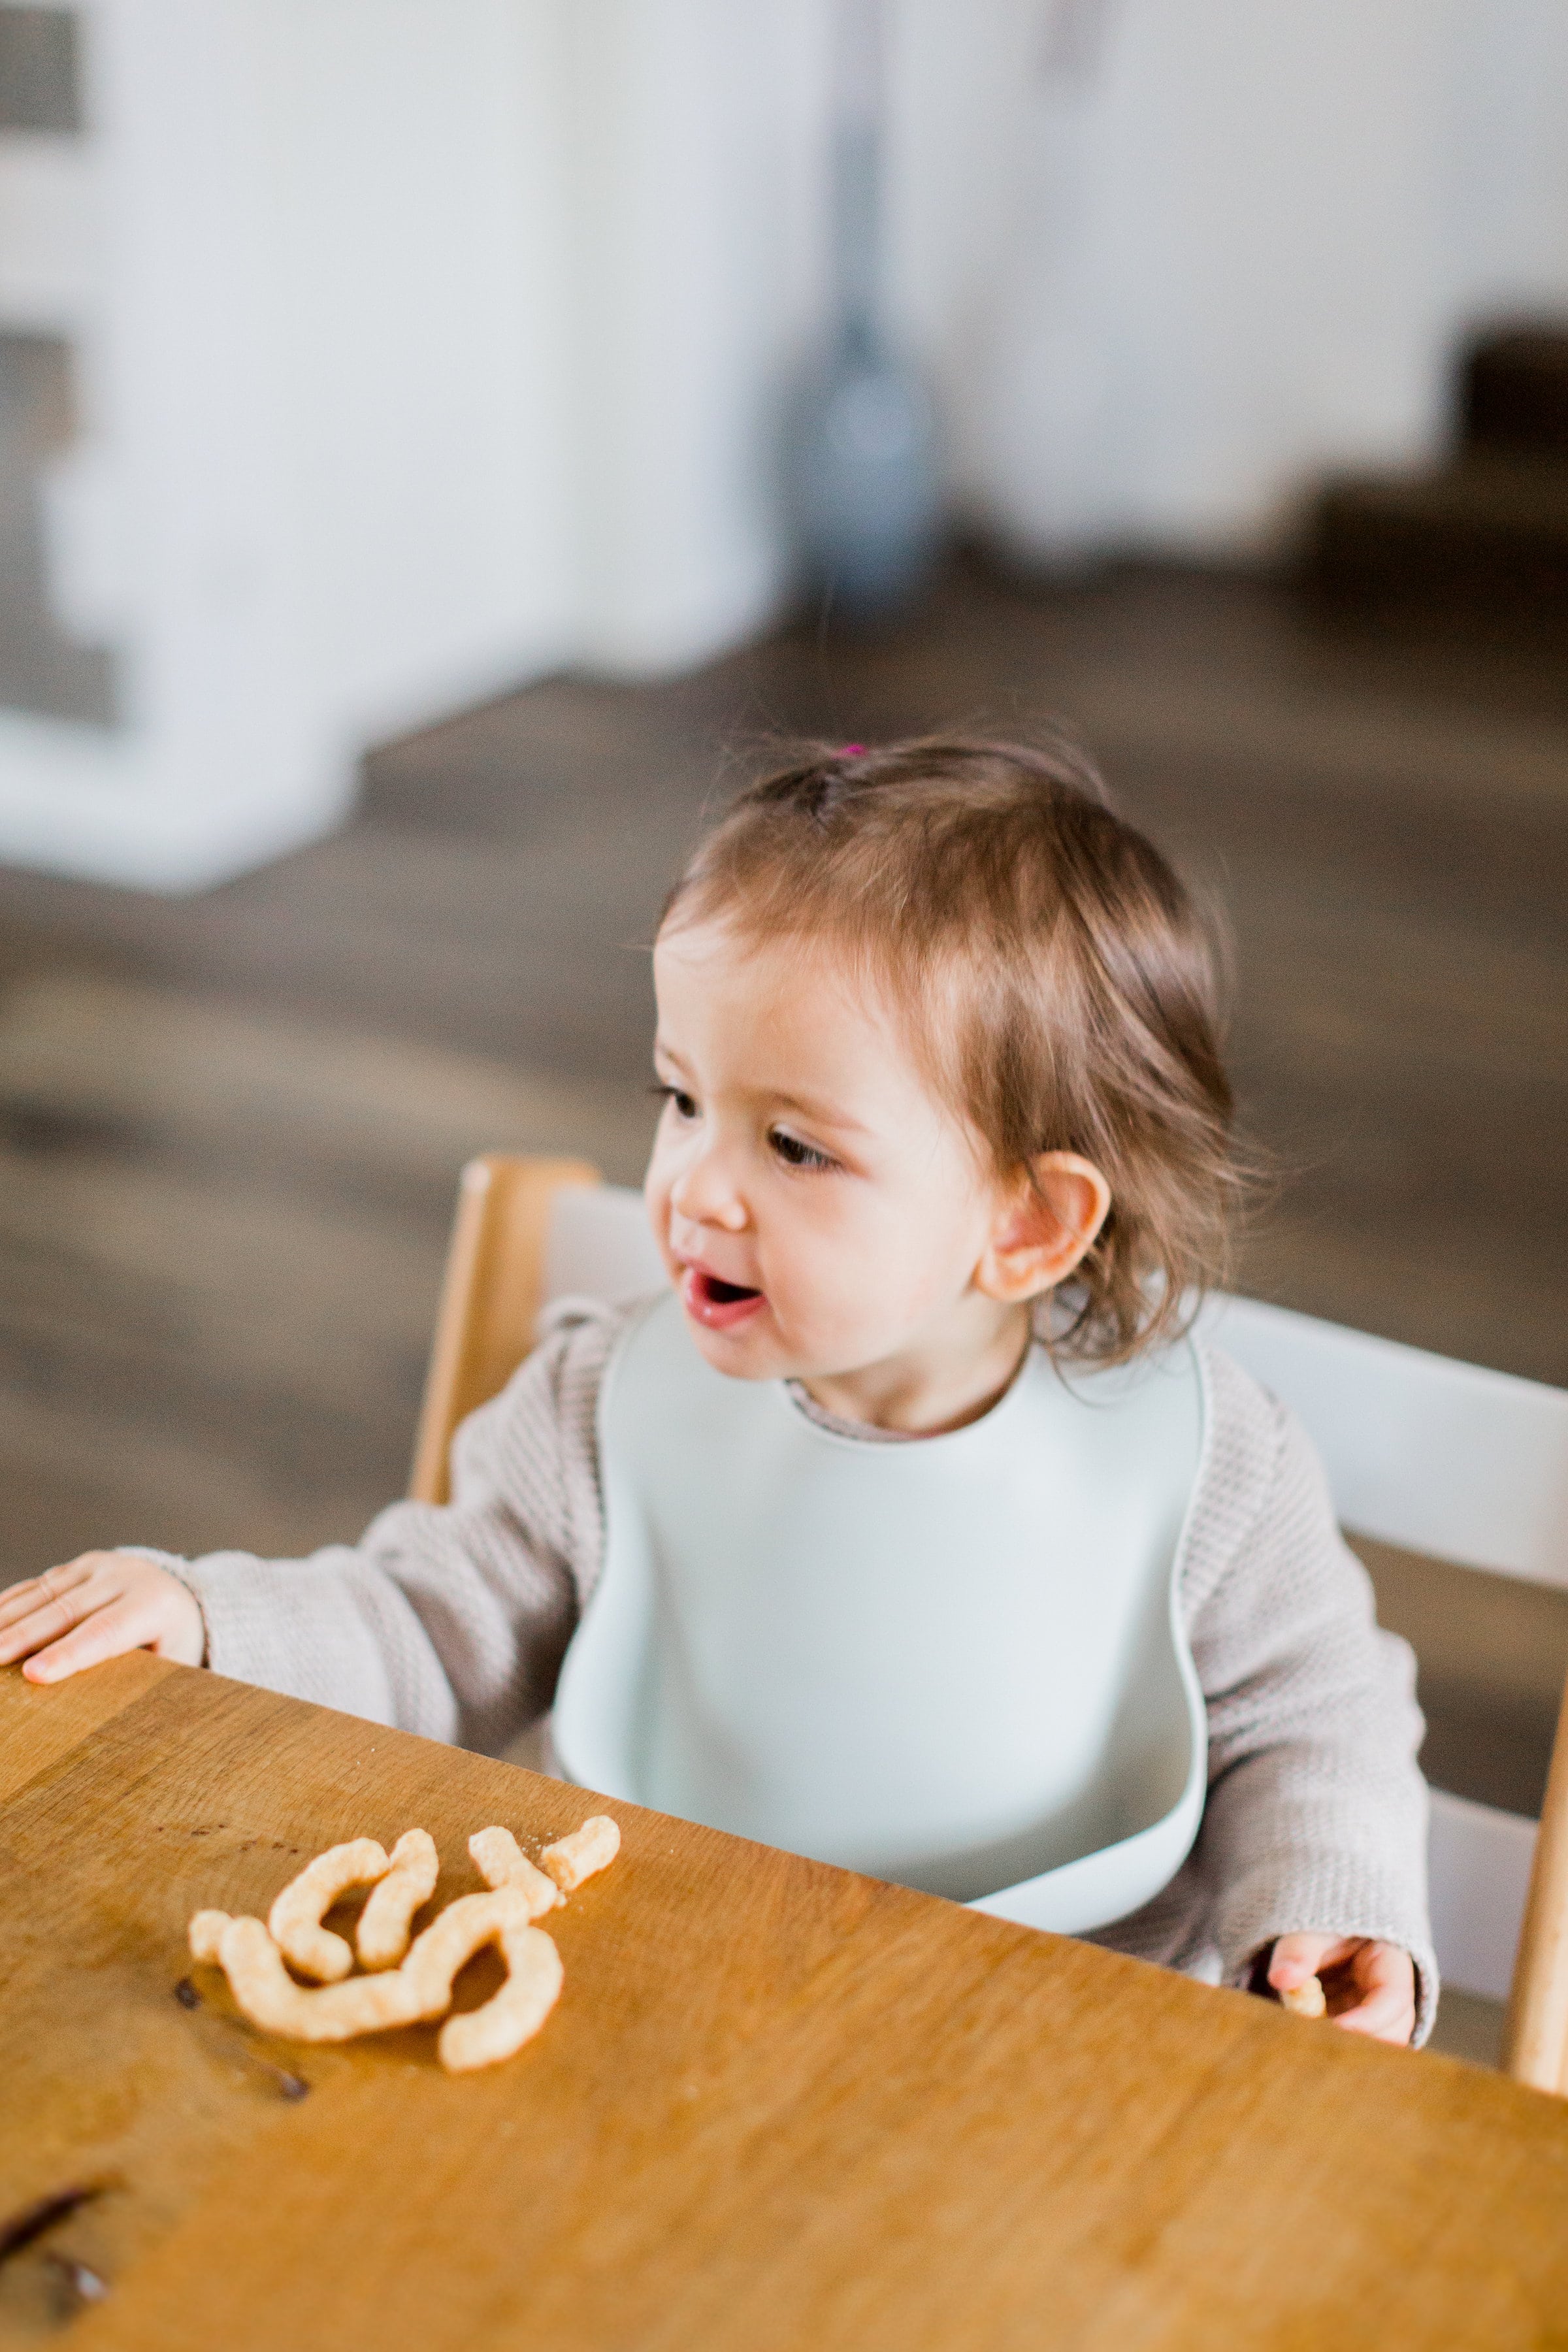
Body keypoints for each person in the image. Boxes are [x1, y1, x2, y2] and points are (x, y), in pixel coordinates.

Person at [0, 736, 1433, 2044]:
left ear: (1027, 1227)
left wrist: (1334, 1905)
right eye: (681, 1101)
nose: (693, 1188)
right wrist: (206, 1616)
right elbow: (424, 1627)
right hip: (654, 2013)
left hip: (1046, 2067)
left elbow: (1314, 1722)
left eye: (796, 1148)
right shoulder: (597, 1408)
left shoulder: (1211, 1468)